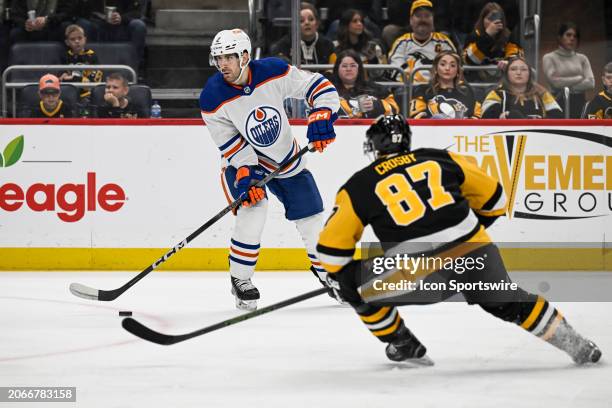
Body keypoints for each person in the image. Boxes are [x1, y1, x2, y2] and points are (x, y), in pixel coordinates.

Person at [317, 114, 602, 365]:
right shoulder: (440, 157)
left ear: (375, 146)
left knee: (352, 285)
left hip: (421, 275)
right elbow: (497, 199)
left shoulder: (359, 185)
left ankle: (403, 344)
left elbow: (331, 252)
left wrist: (342, 278)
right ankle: (574, 342)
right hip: (477, 254)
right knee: (509, 301)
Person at [199, 29, 339, 311]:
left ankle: (331, 275)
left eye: (229, 57)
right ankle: (241, 280)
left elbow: (318, 86)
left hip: (287, 160)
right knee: (254, 211)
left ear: (245, 56)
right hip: (243, 165)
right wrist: (246, 173)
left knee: (312, 219)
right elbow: (231, 143)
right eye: (219, 58)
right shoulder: (212, 97)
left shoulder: (272, 70)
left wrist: (322, 113)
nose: (223, 64)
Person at [388, 0, 456, 84]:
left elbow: (453, 68)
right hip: (409, 90)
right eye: (418, 16)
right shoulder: (401, 42)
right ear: (411, 20)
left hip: (437, 91)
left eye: (427, 16)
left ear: (433, 20)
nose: (423, 19)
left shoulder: (444, 42)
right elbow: (396, 70)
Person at [481, 56, 563, 119]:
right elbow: (485, 117)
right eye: (513, 69)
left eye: (523, 69)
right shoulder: (497, 93)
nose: (519, 73)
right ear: (507, 74)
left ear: (529, 74)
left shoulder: (541, 93)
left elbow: (558, 116)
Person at [542, 22, 595, 119]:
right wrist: (579, 78)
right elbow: (555, 83)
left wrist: (566, 86)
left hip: (579, 103)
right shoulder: (549, 57)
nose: (572, 38)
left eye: (575, 36)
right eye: (568, 35)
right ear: (560, 37)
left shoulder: (582, 58)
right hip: (557, 102)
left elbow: (591, 83)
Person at [75, 0, 147, 70]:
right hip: (96, 27)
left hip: (122, 27)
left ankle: (134, 69)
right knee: (82, 24)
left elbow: (137, 12)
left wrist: (122, 18)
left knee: (138, 25)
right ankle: (83, 67)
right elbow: (80, 13)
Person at [410, 50, 481, 119]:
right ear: (435, 68)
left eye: (452, 65)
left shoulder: (467, 92)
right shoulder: (422, 90)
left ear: (458, 71)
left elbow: (477, 117)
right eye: (443, 64)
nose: (447, 68)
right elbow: (416, 117)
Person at [462, 2, 523, 82]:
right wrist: (488, 36)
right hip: (477, 83)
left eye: (497, 18)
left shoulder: (508, 36)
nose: (493, 23)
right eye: (490, 19)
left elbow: (516, 56)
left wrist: (509, 62)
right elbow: (469, 60)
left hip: (501, 82)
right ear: (482, 20)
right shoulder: (474, 36)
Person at [331, 50, 399, 118]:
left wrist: (376, 105)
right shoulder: (328, 91)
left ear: (359, 68)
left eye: (353, 66)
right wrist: (356, 108)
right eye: (344, 66)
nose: (348, 69)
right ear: (337, 69)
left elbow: (395, 109)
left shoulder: (375, 89)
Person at [270, 2, 334, 65]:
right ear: (295, 25)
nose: (307, 23)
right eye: (301, 20)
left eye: (311, 19)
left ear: (317, 23)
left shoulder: (328, 45)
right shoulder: (283, 45)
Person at [59, 24, 103, 100]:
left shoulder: (92, 55)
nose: (77, 41)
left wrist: (75, 78)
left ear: (85, 39)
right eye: (72, 39)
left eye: (80, 38)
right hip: (70, 91)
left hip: (88, 93)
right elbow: (62, 77)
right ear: (67, 42)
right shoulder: (65, 56)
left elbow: (95, 80)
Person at [9, 0, 75, 43]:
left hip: (53, 25)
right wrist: (25, 24)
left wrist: (47, 20)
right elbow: (15, 14)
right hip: (29, 29)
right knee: (16, 33)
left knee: (66, 27)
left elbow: (67, 12)